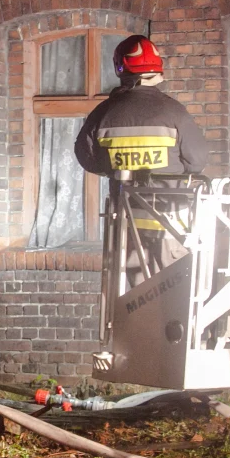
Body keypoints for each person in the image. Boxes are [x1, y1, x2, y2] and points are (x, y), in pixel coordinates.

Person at [75, 35, 208, 286]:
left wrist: (115, 165)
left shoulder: (103, 113)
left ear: (121, 69)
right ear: (157, 70)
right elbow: (197, 162)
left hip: (125, 226)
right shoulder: (175, 112)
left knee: (129, 303)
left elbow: (88, 159)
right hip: (170, 224)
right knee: (173, 298)